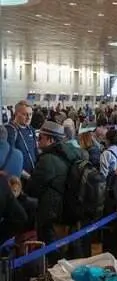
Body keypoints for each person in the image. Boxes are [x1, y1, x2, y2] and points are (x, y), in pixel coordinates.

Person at [25, 121, 84, 263]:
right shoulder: (73, 153)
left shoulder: (47, 160)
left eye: (40, 138)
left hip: (51, 213)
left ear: (51, 139)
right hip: (70, 209)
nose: (38, 141)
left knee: (53, 255)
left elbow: (33, 188)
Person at [5, 100, 37, 177]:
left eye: (30, 114)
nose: (29, 117)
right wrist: (27, 177)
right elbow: (11, 158)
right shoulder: (10, 130)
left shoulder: (31, 129)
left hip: (33, 173)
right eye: (24, 114)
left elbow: (35, 151)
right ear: (16, 114)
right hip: (19, 176)